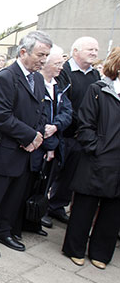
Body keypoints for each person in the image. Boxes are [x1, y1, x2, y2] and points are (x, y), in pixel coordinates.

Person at [0, 31, 51, 258]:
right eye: (41, 54)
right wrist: (29, 137)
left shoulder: (37, 78)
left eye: (46, 55)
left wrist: (37, 136)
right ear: (24, 51)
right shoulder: (7, 77)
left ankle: (3, 230)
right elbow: (2, 116)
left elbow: (40, 110)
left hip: (27, 152)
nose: (44, 60)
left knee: (15, 195)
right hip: (5, 150)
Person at [62, 46, 120, 270]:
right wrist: (97, 149)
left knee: (113, 211)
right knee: (84, 207)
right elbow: (85, 125)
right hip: (96, 160)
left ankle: (101, 253)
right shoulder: (99, 90)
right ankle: (74, 249)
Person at [13, 46, 72, 237]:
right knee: (25, 187)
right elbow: (38, 117)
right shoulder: (37, 84)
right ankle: (18, 224)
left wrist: (56, 127)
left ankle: (34, 221)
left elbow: (67, 113)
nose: (60, 68)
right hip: (36, 145)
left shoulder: (59, 87)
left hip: (52, 144)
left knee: (42, 186)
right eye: (56, 63)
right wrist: (46, 140)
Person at [48, 36, 100, 224]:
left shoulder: (95, 75)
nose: (94, 53)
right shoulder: (65, 72)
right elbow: (64, 103)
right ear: (75, 51)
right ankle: (42, 207)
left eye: (96, 50)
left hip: (82, 135)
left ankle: (56, 206)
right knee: (53, 172)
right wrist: (82, 122)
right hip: (64, 132)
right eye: (90, 50)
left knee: (70, 174)